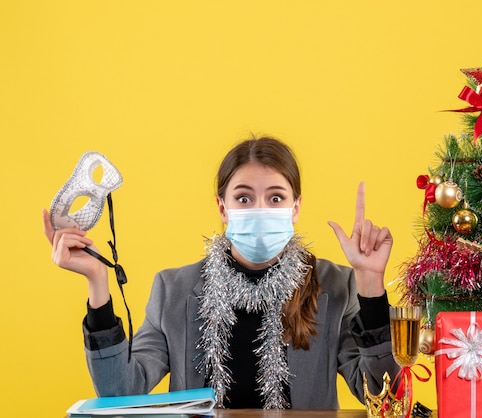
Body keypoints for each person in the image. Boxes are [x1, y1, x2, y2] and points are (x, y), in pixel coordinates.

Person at [43, 136, 399, 409]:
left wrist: (370, 286)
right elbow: (118, 391)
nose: (260, 208)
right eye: (244, 198)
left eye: (275, 198)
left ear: (296, 207)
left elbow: (383, 393)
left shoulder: (336, 286)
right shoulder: (174, 289)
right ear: (222, 207)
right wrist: (97, 281)